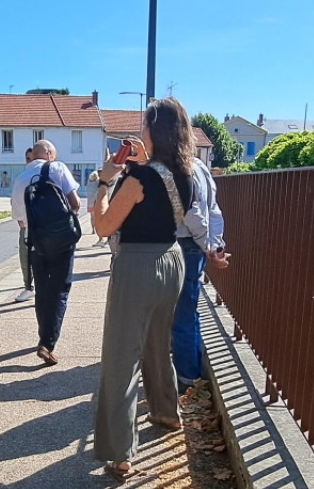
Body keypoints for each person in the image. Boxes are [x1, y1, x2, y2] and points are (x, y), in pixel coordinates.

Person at [91, 97, 195, 482]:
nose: (141, 130)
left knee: (121, 357)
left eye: (145, 125)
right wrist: (139, 164)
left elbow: (103, 227)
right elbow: (161, 203)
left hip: (138, 265)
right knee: (156, 342)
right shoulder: (185, 172)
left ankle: (120, 452)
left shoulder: (139, 179)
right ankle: (167, 411)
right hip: (172, 261)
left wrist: (104, 182)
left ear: (155, 129)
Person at [11, 140, 80, 365]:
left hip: (36, 242)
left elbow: (20, 221)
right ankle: (47, 343)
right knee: (60, 290)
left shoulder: (21, 179)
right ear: (49, 153)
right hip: (62, 240)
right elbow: (75, 202)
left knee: (42, 291)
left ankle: (43, 333)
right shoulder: (57, 168)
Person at [173, 156, 230, 393]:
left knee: (179, 317)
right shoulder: (200, 166)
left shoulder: (176, 167)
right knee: (188, 312)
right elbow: (212, 209)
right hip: (193, 246)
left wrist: (208, 246)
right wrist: (213, 245)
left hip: (180, 243)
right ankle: (191, 374)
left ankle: (186, 378)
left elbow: (191, 211)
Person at [12, 148, 37, 302]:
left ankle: (40, 288)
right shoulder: (23, 177)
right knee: (25, 259)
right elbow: (15, 201)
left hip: (44, 228)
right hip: (26, 226)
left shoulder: (51, 174)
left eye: (32, 158)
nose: (30, 162)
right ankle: (28, 287)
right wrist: (20, 220)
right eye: (27, 158)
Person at [86, 171, 106, 246]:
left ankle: (93, 230)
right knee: (98, 219)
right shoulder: (98, 183)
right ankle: (101, 238)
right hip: (96, 203)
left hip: (90, 203)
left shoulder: (89, 183)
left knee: (92, 218)